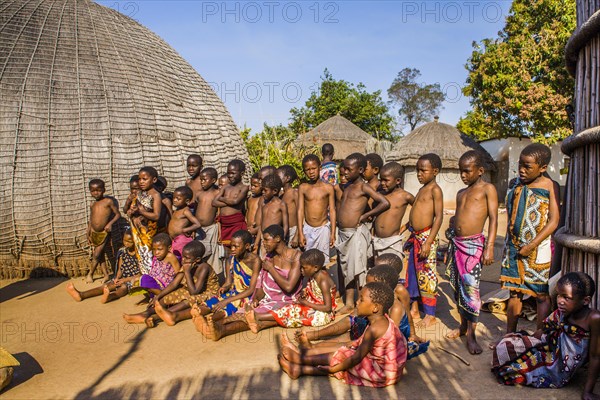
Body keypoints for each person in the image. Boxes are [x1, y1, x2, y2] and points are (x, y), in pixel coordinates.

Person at [277, 281, 407, 388]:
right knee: (346, 351)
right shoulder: (380, 320)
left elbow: (356, 358)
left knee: (343, 357)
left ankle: (301, 361)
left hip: (382, 373)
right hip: (389, 371)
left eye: (361, 300)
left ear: (375, 308)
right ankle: (300, 363)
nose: (357, 302)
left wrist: (334, 368)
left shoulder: (374, 329)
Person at [492, 272, 599, 399]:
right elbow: (544, 328)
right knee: (505, 345)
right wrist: (530, 343)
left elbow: (595, 355)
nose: (560, 301)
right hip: (551, 346)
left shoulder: (594, 318)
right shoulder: (563, 312)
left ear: (585, 300)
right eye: (559, 295)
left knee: (510, 367)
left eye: (566, 297)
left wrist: (587, 391)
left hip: (559, 367)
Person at [297, 262, 428, 360]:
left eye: (369, 284)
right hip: (371, 329)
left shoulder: (395, 305)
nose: (365, 287)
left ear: (381, 284)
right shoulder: (375, 299)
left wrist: (412, 334)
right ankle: (314, 339)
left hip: (380, 340)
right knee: (352, 321)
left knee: (351, 342)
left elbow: (389, 336)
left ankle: (312, 350)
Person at [194, 225, 301, 341]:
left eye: (266, 240)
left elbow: (289, 287)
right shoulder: (269, 257)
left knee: (251, 316)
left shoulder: (295, 256)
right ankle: (215, 325)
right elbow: (261, 283)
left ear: (278, 239)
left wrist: (271, 269)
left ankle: (222, 330)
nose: (263, 243)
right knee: (244, 311)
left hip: (286, 300)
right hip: (268, 298)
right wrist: (256, 298)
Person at [500, 143, 560, 333]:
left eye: (528, 166)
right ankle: (510, 335)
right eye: (520, 165)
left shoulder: (550, 186)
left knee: (540, 294)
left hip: (537, 250)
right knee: (514, 292)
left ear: (542, 168)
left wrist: (532, 244)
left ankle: (538, 338)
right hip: (513, 248)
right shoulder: (514, 184)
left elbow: (554, 221)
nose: (522, 170)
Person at [443, 151, 498, 354]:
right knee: (458, 289)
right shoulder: (461, 193)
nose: (463, 175)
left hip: (474, 247)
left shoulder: (488, 189)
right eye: (460, 171)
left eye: (467, 171)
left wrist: (490, 246)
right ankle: (463, 327)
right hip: (457, 244)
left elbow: (493, 218)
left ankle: (472, 336)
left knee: (471, 291)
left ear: (480, 170)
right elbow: (459, 217)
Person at [336, 153, 390, 313]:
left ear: (360, 170)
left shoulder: (363, 186)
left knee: (358, 270)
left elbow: (385, 202)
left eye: (348, 169)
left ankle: (360, 304)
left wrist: (366, 215)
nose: (344, 172)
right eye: (344, 168)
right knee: (348, 270)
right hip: (344, 234)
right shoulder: (347, 186)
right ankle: (349, 304)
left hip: (356, 233)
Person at [246, 249, 336, 332]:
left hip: (322, 314)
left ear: (315, 268)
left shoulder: (323, 281)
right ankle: (261, 325)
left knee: (292, 312)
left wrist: (306, 303)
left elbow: (328, 308)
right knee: (290, 309)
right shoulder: (314, 276)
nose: (301, 270)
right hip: (314, 307)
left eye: (304, 268)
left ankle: (258, 316)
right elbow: (316, 294)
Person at [403, 153, 444, 328]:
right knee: (412, 275)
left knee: (427, 277)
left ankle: (430, 314)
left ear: (434, 171)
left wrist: (428, 242)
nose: (419, 174)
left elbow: (439, 217)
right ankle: (414, 308)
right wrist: (406, 227)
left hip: (426, 238)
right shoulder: (422, 189)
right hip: (416, 237)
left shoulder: (435, 189)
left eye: (423, 170)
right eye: (417, 170)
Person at [191, 230, 261, 322]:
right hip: (234, 292)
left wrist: (227, 301)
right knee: (215, 300)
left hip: (248, 295)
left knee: (232, 304)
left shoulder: (255, 261)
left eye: (236, 246)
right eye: (231, 245)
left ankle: (209, 319)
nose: (232, 249)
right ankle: (198, 312)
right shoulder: (231, 259)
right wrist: (224, 287)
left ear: (247, 246)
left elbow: (251, 290)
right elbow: (228, 282)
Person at [147, 241, 220, 327]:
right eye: (183, 257)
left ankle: (160, 315)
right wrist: (158, 297)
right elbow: (174, 284)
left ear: (197, 260)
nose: (183, 260)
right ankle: (147, 313)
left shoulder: (204, 267)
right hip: (192, 289)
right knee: (170, 296)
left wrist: (187, 272)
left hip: (210, 293)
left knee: (189, 300)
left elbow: (194, 292)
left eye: (187, 258)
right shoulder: (187, 264)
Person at [66, 229, 140, 303]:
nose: (126, 243)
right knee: (106, 286)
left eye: (129, 242)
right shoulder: (123, 252)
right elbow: (120, 268)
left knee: (123, 288)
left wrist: (125, 280)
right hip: (122, 278)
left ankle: (110, 297)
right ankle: (81, 294)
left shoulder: (140, 255)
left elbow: (141, 274)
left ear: (136, 241)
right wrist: (117, 278)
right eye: (124, 240)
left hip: (134, 280)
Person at [123, 233, 180, 323]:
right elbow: (153, 271)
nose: (156, 252)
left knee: (144, 279)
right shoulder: (155, 257)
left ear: (169, 248)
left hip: (166, 287)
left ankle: (158, 298)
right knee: (139, 281)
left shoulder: (170, 257)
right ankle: (150, 304)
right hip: (156, 284)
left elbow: (178, 274)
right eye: (154, 249)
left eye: (159, 249)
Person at [371, 162, 414, 280]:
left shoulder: (405, 196)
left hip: (392, 241)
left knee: (391, 273)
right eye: (381, 180)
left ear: (398, 180)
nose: (383, 183)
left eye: (386, 180)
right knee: (378, 273)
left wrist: (405, 228)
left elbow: (418, 213)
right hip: (377, 240)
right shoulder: (379, 194)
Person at [297, 154, 336, 265]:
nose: (311, 172)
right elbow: (300, 210)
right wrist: (300, 232)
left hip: (323, 229)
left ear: (320, 168)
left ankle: (321, 282)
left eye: (313, 168)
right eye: (307, 170)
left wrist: (333, 233)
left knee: (322, 262)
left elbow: (332, 210)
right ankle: (311, 283)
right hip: (308, 229)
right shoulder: (303, 188)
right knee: (308, 262)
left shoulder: (328, 188)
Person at [128, 166, 162, 274]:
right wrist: (132, 211)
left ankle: (152, 282)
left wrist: (141, 211)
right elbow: (131, 210)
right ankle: (145, 280)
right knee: (141, 257)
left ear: (154, 180)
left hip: (148, 234)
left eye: (144, 179)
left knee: (149, 256)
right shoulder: (139, 194)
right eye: (139, 179)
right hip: (137, 233)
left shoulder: (155, 195)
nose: (141, 182)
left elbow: (156, 216)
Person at [86, 179, 121, 283]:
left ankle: (90, 274)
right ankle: (106, 275)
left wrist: (110, 224)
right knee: (100, 255)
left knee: (96, 254)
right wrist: (88, 231)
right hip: (94, 233)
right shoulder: (92, 204)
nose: (96, 193)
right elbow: (91, 219)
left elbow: (117, 214)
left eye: (98, 190)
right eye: (93, 191)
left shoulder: (108, 202)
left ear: (104, 190)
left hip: (104, 232)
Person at [212, 159, 249, 251]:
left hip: (235, 223)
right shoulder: (225, 187)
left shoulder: (244, 188)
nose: (230, 176)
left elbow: (236, 201)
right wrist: (230, 201)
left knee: (237, 248)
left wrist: (222, 199)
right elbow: (214, 202)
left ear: (242, 173)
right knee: (225, 250)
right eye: (228, 173)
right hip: (224, 223)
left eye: (233, 173)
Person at [194, 167, 221, 274]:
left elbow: (219, 212)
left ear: (213, 180)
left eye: (204, 179)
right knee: (199, 252)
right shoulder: (199, 193)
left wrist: (219, 228)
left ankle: (213, 276)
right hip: (198, 228)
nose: (202, 182)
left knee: (211, 253)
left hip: (211, 228)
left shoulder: (217, 193)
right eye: (201, 179)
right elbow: (195, 209)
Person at [254, 174, 288, 257]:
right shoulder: (264, 204)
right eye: (262, 190)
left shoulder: (281, 204)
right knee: (263, 260)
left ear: (275, 191)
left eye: (265, 190)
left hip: (274, 240)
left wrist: (281, 240)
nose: (262, 192)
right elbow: (261, 226)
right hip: (263, 239)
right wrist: (256, 243)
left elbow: (286, 225)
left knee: (274, 260)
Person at [168, 186, 202, 260]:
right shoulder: (177, 210)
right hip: (175, 240)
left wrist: (185, 230)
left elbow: (197, 224)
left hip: (182, 240)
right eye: (174, 197)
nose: (174, 200)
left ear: (187, 201)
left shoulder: (185, 211)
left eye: (178, 199)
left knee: (182, 259)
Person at [277, 165, 299, 247]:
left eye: (278, 176)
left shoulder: (294, 193)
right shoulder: (281, 195)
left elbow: (301, 214)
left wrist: (297, 236)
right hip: (284, 232)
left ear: (287, 178)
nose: (276, 179)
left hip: (293, 231)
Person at [246, 172, 262, 236]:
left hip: (257, 230)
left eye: (255, 186)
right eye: (251, 185)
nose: (252, 187)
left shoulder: (262, 199)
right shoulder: (250, 198)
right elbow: (247, 211)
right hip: (248, 229)